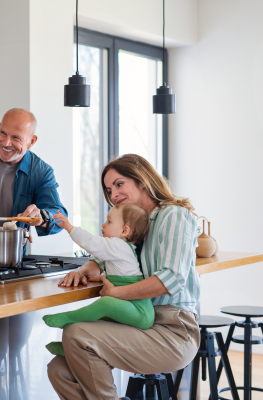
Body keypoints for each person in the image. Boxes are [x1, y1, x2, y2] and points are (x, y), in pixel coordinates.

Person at [47, 154, 200, 400]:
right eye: (109, 189)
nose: (114, 193)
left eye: (119, 184)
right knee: (60, 370)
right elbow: (104, 257)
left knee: (76, 334)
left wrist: (116, 293)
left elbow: (170, 279)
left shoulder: (173, 216)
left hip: (174, 329)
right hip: (138, 322)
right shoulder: (134, 225)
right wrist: (83, 271)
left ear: (142, 180)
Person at [42, 204, 154, 357]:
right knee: (99, 324)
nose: (103, 224)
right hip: (134, 309)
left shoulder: (119, 246)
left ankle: (67, 318)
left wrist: (70, 228)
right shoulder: (121, 249)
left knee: (106, 304)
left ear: (124, 231)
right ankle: (71, 346)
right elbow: (121, 275)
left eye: (109, 222)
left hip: (140, 311)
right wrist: (102, 277)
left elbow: (94, 244)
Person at [0, 108, 67, 251]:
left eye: (16, 138)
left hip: (11, 258)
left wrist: (42, 216)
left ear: (31, 141)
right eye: (3, 133)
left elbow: (60, 215)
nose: (6, 143)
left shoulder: (41, 171)